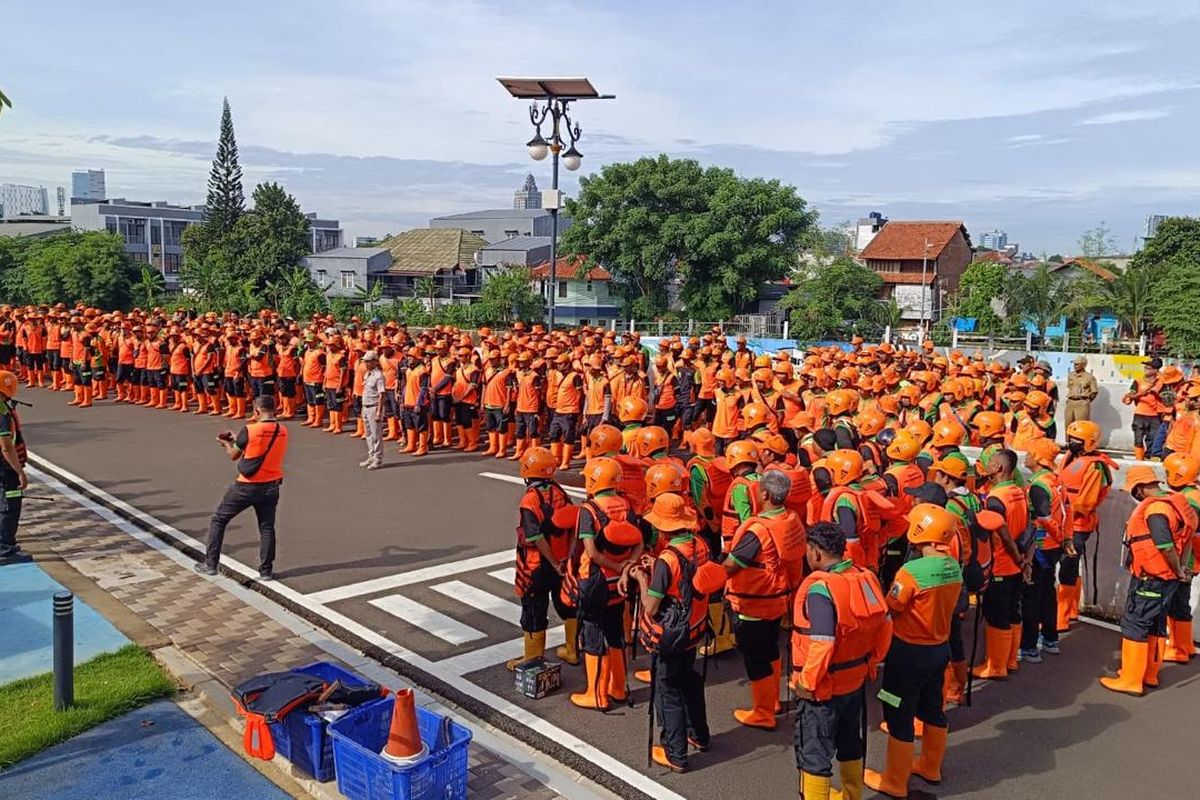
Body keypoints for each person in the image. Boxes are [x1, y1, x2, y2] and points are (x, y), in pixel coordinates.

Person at [864, 504, 963, 798]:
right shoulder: (953, 566)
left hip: (907, 652)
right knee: (933, 709)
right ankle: (931, 766)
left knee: (898, 712)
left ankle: (895, 781)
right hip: (939, 649)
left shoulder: (911, 571)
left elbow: (892, 607)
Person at [790, 522, 890, 800]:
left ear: (816, 552)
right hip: (854, 682)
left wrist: (806, 683)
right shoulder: (866, 578)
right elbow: (885, 625)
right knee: (850, 743)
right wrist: (872, 662)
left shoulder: (821, 589)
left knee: (814, 754)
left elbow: (823, 642)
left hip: (824, 689)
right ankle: (851, 795)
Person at [628, 493, 719, 773]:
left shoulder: (668, 559)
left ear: (663, 527)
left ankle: (675, 753)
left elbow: (651, 606)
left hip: (671, 634)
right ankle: (699, 735)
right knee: (689, 680)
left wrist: (641, 578)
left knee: (668, 690)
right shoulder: (700, 545)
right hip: (694, 627)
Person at [1100, 466, 1195, 695]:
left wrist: (1178, 569)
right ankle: (1149, 674)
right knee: (1156, 624)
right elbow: (1188, 539)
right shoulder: (1177, 503)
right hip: (1167, 578)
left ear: (1141, 488)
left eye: (1134, 491)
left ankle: (1131, 679)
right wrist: (1180, 569)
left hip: (1151, 577)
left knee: (1136, 623)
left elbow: (1166, 546)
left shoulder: (1156, 510)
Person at [723, 469, 805, 731]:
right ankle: (773, 702)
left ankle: (763, 712)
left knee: (756, 657)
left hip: (753, 603)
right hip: (778, 598)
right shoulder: (790, 519)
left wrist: (709, 574)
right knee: (770, 650)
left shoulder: (758, 530)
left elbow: (732, 565)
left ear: (766, 494)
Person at [196, 395, 289, 581]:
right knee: (267, 527)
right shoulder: (283, 430)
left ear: (257, 411)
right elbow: (259, 446)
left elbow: (234, 454)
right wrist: (239, 439)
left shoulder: (250, 429)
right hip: (271, 485)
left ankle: (211, 564)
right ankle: (266, 571)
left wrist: (227, 443)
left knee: (219, 519)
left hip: (246, 485)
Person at [509, 446, 574, 669]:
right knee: (568, 605)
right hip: (563, 561)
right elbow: (572, 525)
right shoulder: (560, 493)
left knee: (534, 611)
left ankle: (532, 659)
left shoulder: (530, 500)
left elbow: (535, 537)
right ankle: (573, 650)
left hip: (538, 566)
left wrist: (554, 563)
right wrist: (567, 558)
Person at [972, 448, 1029, 679]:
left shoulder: (996, 498)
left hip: (1001, 564)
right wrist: (1024, 560)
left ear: (998, 468)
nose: (987, 465)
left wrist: (1016, 556)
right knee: (1013, 612)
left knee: (996, 615)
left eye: (991, 462)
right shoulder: (1019, 492)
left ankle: (995, 666)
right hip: (1015, 565)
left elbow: (1002, 534)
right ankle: (1010, 660)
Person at [1057, 420, 1115, 629]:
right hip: (1065, 521)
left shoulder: (1095, 466)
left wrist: (1062, 510)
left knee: (1067, 565)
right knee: (1070, 565)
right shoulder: (1071, 457)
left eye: (1077, 440)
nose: (1072, 443)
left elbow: (1086, 502)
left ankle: (1061, 617)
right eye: (1071, 439)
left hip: (1078, 524)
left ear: (1089, 442)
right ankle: (1071, 610)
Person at [1020, 438, 1069, 661]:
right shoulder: (1055, 480)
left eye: (1030, 453)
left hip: (1039, 548)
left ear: (1038, 458)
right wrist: (1065, 538)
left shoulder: (1039, 486)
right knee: (1048, 593)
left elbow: (1045, 518)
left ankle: (1029, 647)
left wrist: (1061, 537)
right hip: (1052, 547)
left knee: (1032, 596)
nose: (1026, 456)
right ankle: (1050, 639)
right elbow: (1068, 511)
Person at [0, 371, 30, 564]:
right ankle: (5, 548)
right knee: (9, 505)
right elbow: (6, 446)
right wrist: (19, 471)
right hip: (5, 468)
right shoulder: (2, 412)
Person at [358, 351, 386, 470]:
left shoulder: (378, 376)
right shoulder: (367, 374)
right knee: (368, 435)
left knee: (376, 435)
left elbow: (382, 394)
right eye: (365, 361)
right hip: (366, 406)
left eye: (368, 361)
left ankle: (377, 459)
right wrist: (363, 408)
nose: (366, 363)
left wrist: (379, 412)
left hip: (374, 407)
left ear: (375, 361)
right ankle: (371, 456)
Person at [1065, 356, 1098, 424]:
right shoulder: (1071, 375)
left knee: (1081, 425)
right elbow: (1070, 387)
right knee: (1068, 424)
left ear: (1083, 365)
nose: (1074, 366)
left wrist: (1086, 401)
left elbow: (1094, 392)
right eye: (1074, 364)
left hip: (1082, 402)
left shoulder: (1090, 377)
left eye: (1077, 364)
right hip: (1070, 402)